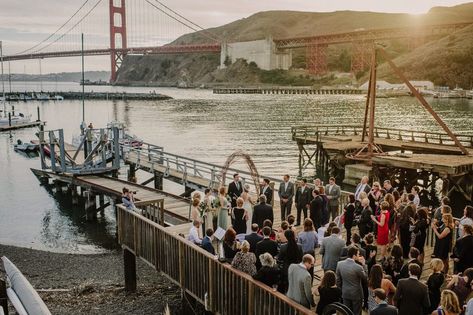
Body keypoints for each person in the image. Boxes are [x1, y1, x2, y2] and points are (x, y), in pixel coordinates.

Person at [336, 246, 368, 315]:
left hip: (345, 292)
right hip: (356, 294)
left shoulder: (339, 264)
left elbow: (338, 281)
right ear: (354, 255)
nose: (359, 256)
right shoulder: (358, 267)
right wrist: (364, 265)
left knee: (346, 312)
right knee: (357, 313)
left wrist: (342, 289)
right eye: (358, 254)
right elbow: (365, 279)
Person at [277, 229, 303, 294]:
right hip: (297, 269)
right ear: (293, 236)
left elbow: (279, 259)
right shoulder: (299, 246)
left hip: (286, 270)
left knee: (286, 285)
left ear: (286, 237)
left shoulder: (283, 247)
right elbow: (301, 258)